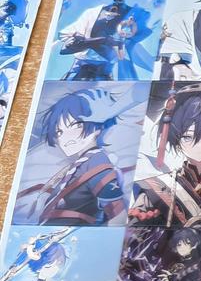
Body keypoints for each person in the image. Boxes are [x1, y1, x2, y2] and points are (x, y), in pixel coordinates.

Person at [129, 84, 201, 227]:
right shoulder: (155, 188)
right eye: (187, 136)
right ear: (176, 136)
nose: (199, 145)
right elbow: (136, 233)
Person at [17, 88, 126, 225]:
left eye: (76, 125)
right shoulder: (81, 164)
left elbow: (118, 215)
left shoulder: (97, 164)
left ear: (98, 126)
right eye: (59, 132)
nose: (66, 138)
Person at [57, 0, 154, 81]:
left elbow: (130, 49)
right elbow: (66, 41)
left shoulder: (139, 14)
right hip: (78, 71)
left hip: (107, 74)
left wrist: (91, 42)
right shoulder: (92, 12)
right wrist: (100, 41)